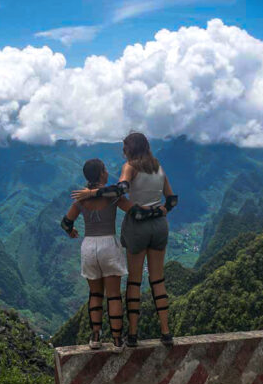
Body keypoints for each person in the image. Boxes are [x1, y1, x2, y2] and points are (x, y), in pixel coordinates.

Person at [72, 132, 178, 347]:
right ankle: (166, 332)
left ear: (130, 149)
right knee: (158, 280)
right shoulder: (158, 168)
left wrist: (92, 193)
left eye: (124, 147)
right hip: (159, 227)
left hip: (137, 226)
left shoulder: (129, 167)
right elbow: (172, 199)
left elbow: (121, 190)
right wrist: (161, 211)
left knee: (134, 282)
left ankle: (133, 335)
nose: (122, 151)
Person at [61, 158, 134, 351]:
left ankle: (95, 337)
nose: (108, 171)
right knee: (113, 295)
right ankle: (117, 339)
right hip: (108, 244)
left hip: (89, 245)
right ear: (102, 174)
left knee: (95, 294)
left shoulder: (81, 199)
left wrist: (71, 232)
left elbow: (66, 222)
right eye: (105, 169)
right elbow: (131, 209)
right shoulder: (112, 196)